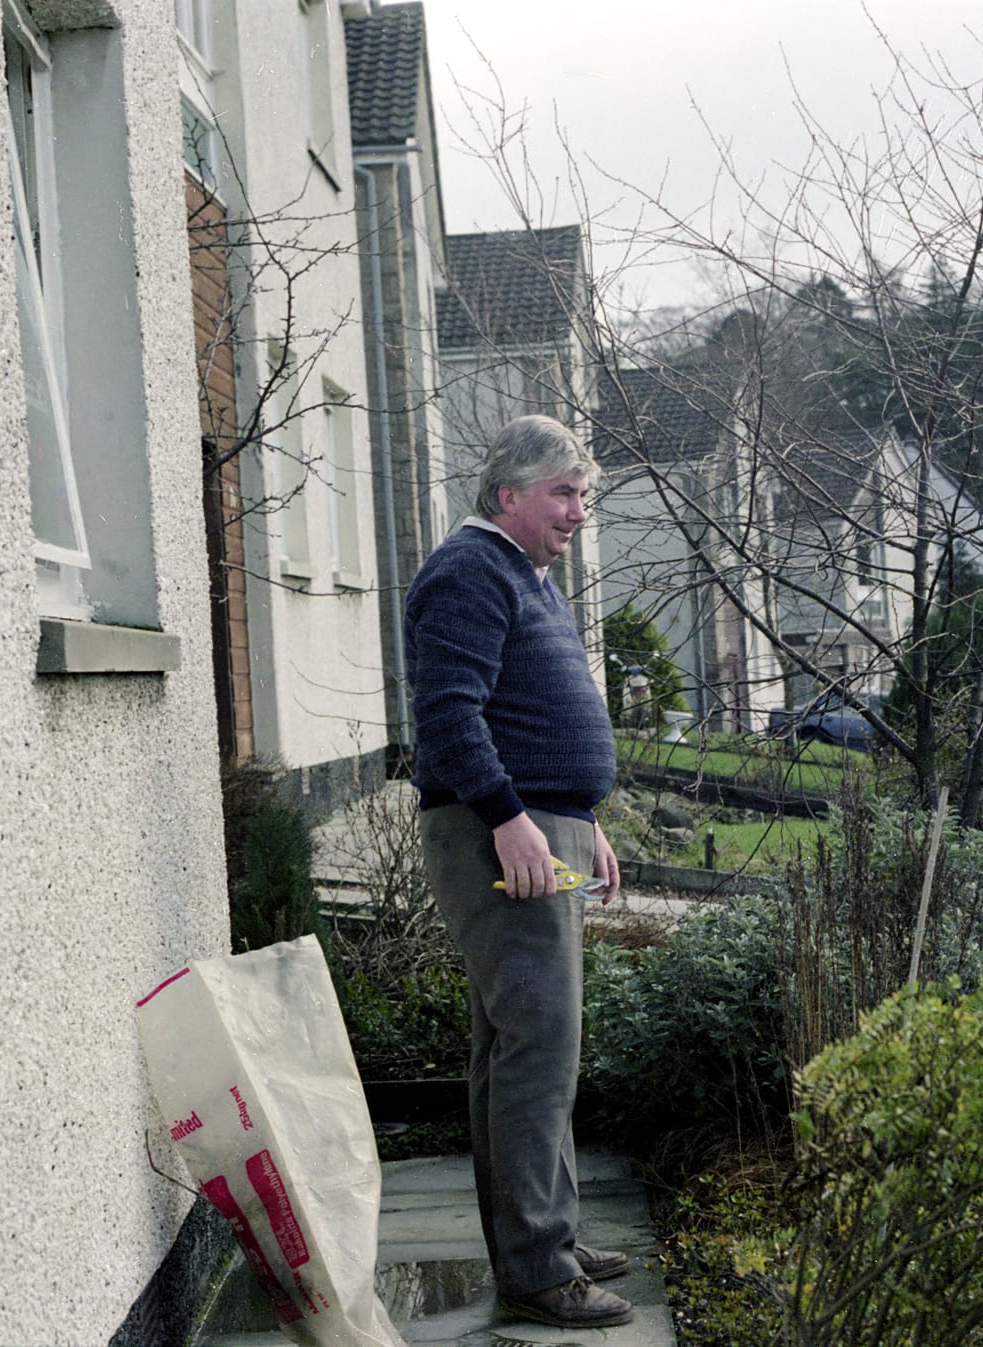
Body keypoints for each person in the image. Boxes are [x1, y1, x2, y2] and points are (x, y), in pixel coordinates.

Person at [404, 415, 633, 1329]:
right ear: (509, 495)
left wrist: (584, 820)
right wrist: (513, 821)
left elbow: (534, 711)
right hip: (504, 835)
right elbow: (449, 715)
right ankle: (539, 1270)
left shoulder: (526, 575)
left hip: (545, 827)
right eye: (563, 494)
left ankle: (549, 1236)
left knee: (524, 1049)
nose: (578, 512)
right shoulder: (469, 570)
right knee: (538, 1049)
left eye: (585, 494)